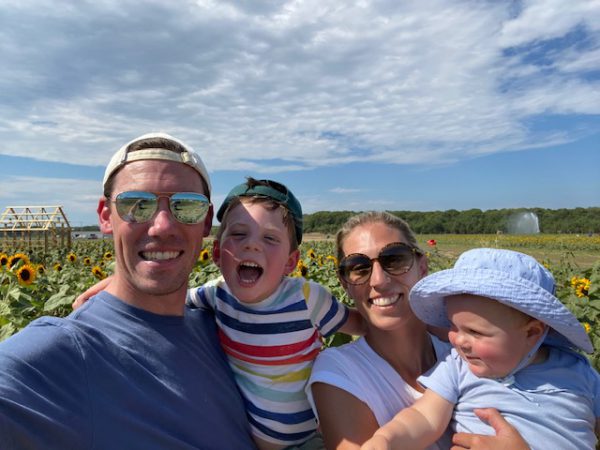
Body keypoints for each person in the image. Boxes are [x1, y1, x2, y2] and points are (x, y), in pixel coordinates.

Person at [0, 133, 255, 449]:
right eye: (137, 204)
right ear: (106, 217)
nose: (162, 226)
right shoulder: (66, 351)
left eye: (186, 206)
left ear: (205, 222)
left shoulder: (227, 325)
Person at [74, 177, 365, 450]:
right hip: (244, 439)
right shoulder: (216, 295)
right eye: (238, 234)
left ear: (291, 262)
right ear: (215, 254)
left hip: (309, 439)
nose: (251, 244)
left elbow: (359, 325)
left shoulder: (307, 297)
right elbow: (162, 297)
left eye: (270, 239)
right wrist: (117, 284)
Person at [306, 212, 531, 450]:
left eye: (394, 259)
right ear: (345, 284)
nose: (378, 281)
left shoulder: (470, 352)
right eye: (358, 268)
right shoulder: (341, 372)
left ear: (422, 267)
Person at [361, 248, 600, 450]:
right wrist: (387, 439)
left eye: (476, 332)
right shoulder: (457, 366)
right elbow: (424, 417)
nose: (458, 341)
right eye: (453, 326)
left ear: (532, 332)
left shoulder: (578, 371)